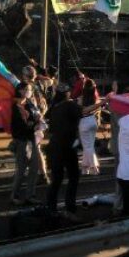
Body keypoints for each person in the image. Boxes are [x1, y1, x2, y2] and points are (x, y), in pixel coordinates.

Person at [46, 88, 82, 221]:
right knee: (73, 177)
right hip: (67, 146)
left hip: (54, 146)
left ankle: (51, 209)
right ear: (67, 93)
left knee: (56, 179)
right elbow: (84, 111)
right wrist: (103, 102)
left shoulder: (55, 107)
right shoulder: (69, 105)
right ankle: (70, 209)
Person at [10, 82, 42, 205]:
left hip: (31, 139)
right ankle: (14, 196)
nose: (29, 91)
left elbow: (36, 116)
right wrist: (33, 124)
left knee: (34, 168)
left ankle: (30, 195)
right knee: (21, 169)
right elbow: (20, 126)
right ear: (21, 91)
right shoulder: (15, 106)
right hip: (21, 140)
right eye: (27, 89)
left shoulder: (29, 103)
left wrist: (39, 119)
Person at [78, 79, 106, 176]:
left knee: (87, 146)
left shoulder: (81, 99)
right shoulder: (96, 99)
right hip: (93, 121)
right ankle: (85, 168)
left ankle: (94, 167)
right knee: (89, 145)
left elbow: (81, 110)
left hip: (84, 122)